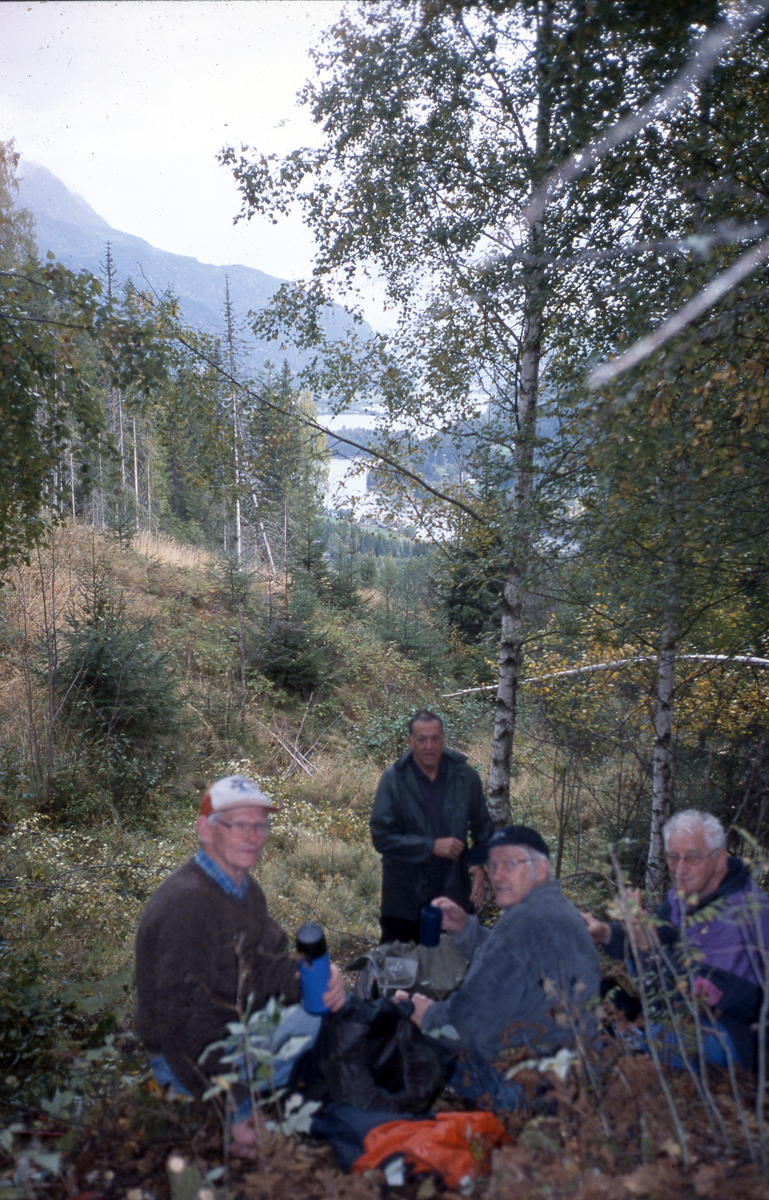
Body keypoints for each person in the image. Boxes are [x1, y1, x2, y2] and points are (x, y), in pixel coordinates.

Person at [135, 775, 346, 1154]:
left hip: (233, 1030)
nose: (253, 835)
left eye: (260, 825)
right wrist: (237, 1109)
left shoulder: (244, 890)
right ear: (205, 830)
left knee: (324, 1014)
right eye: (238, 825)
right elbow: (183, 1026)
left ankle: (270, 1097)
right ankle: (217, 1114)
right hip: (183, 1060)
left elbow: (267, 964)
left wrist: (319, 978)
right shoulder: (185, 906)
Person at [395, 825, 601, 1108]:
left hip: (531, 1091)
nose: (496, 876)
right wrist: (466, 928)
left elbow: (467, 1023)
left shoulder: (522, 922)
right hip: (575, 1076)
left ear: (541, 870)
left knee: (404, 1042)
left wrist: (425, 1015)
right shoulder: (559, 910)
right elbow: (515, 962)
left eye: (510, 864)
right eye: (492, 865)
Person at [582, 809, 769, 1069]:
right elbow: (656, 935)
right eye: (672, 857)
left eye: (692, 858)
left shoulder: (744, 916)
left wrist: (648, 947)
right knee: (594, 991)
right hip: (678, 1006)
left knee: (663, 1036)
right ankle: (626, 1049)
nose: (679, 869)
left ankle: (631, 1060)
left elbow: (690, 1003)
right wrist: (605, 932)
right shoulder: (687, 894)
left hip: (738, 1033)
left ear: (720, 859)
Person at [370, 710, 494, 943]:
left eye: (435, 738)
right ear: (409, 741)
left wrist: (478, 862)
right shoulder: (394, 779)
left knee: (458, 968)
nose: (429, 746)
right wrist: (431, 846)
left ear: (443, 738)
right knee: (401, 971)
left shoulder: (465, 777)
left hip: (454, 892)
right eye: (422, 739)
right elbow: (382, 837)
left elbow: (482, 826)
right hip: (404, 899)